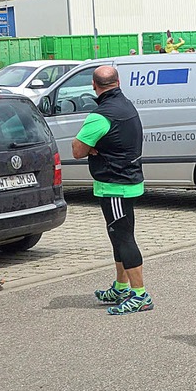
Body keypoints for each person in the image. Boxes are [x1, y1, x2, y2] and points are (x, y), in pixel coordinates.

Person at [72, 66, 153, 315]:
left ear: (94, 86)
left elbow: (77, 150)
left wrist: (93, 147)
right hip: (127, 178)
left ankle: (140, 294)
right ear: (118, 83)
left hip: (115, 184)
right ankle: (120, 286)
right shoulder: (127, 105)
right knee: (118, 235)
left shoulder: (100, 116)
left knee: (124, 238)